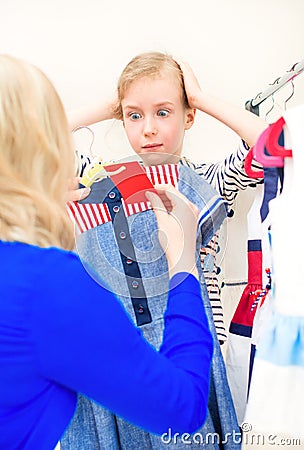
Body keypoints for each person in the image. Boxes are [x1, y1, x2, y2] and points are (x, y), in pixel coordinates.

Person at [0, 54, 216, 450]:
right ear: (41, 143)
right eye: (132, 116)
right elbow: (181, 409)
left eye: (162, 112)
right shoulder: (48, 286)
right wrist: (183, 261)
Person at [62, 52, 267, 450]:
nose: (148, 129)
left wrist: (201, 99)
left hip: (192, 351)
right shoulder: (95, 179)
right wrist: (110, 106)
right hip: (119, 360)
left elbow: (273, 144)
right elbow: (21, 139)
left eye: (164, 112)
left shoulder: (208, 179)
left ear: (188, 117)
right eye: (134, 116)